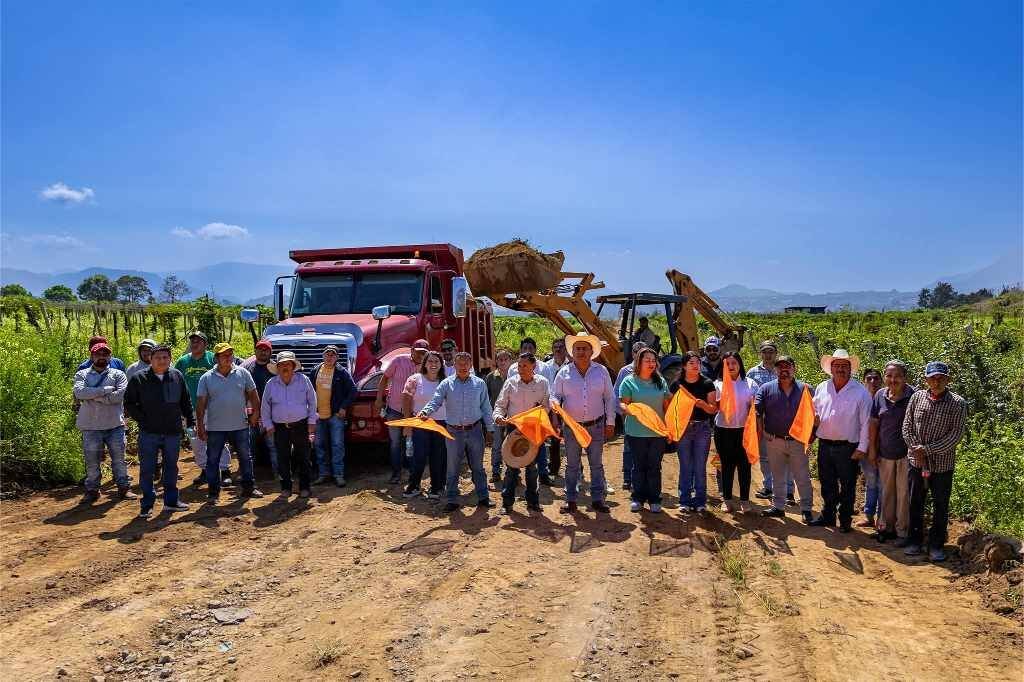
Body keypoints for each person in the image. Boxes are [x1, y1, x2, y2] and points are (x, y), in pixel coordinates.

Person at [901, 361, 967, 562]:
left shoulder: (958, 403)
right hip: (916, 462)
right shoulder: (917, 397)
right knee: (915, 502)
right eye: (933, 378)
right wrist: (916, 448)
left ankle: (936, 545)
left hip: (942, 464)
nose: (936, 381)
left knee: (940, 505)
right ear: (926, 379)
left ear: (948, 380)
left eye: (941, 378)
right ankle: (914, 541)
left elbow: (955, 435)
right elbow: (907, 426)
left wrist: (927, 449)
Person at [419, 352, 496, 512]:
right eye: (459, 364)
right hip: (453, 432)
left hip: (475, 430)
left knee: (478, 467)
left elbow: (486, 407)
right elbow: (436, 400)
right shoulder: (446, 384)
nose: (462, 367)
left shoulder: (479, 384)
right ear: (454, 365)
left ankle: (483, 497)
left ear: (470, 365)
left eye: (466, 364)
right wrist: (426, 412)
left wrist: (490, 429)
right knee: (452, 468)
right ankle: (452, 499)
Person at [124, 344, 193, 518]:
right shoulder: (139, 378)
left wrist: (190, 421)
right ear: (151, 359)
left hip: (172, 431)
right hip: (149, 432)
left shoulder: (177, 376)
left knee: (171, 467)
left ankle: (171, 501)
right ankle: (147, 504)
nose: (162, 361)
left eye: (165, 358)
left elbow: (185, 400)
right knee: (147, 469)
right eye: (157, 358)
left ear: (170, 359)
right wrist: (143, 419)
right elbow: (129, 403)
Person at [809, 349, 873, 533]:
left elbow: (866, 423)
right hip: (825, 445)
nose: (840, 369)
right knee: (827, 482)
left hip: (848, 447)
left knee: (847, 485)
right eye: (837, 365)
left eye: (845, 366)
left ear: (850, 369)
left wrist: (862, 448)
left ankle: (845, 519)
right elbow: (814, 411)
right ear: (831, 368)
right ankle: (828, 515)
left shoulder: (860, 392)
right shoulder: (822, 387)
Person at [551, 334, 616, 514]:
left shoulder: (601, 371)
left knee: (596, 464)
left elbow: (610, 398)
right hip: (572, 427)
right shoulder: (563, 373)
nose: (580, 351)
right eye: (577, 348)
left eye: (584, 348)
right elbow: (555, 395)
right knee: (572, 464)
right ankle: (570, 499)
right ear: (572, 352)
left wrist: (610, 422)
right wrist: (555, 405)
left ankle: (597, 499)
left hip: (596, 426)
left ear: (591, 351)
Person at [196, 343, 263, 502]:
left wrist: (256, 414)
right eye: (224, 355)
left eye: (230, 354)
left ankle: (249, 487)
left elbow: (253, 395)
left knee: (245, 457)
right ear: (216, 358)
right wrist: (200, 426)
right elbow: (200, 404)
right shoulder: (206, 378)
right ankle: (213, 493)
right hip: (215, 427)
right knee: (212, 460)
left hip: (240, 425)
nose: (228, 357)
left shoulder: (243, 373)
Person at [755, 356, 815, 523]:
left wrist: (810, 439)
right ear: (775, 370)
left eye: (787, 366)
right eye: (780, 367)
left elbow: (816, 415)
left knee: (802, 476)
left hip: (798, 441)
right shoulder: (766, 389)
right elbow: (757, 411)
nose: (784, 370)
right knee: (777, 476)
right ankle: (779, 507)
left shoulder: (806, 389)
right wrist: (763, 433)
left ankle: (806, 509)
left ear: (794, 368)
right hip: (775, 440)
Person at [73, 342, 134, 503]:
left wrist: (93, 396)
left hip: (115, 424)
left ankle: (124, 488)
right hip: (90, 426)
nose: (101, 356)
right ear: (91, 356)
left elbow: (120, 395)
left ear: (110, 356)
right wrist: (105, 391)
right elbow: (79, 393)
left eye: (105, 354)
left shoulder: (118, 374)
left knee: (119, 459)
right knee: (92, 460)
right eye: (98, 354)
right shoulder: (82, 374)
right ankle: (92, 490)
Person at [493, 352, 552, 514]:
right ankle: (507, 504)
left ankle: (533, 502)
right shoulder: (510, 383)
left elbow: (547, 406)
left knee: (532, 468)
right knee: (511, 467)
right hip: (514, 430)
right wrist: (498, 416)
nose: (520, 368)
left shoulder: (543, 383)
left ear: (534, 367)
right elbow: (500, 405)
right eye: (519, 365)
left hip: (533, 429)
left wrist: (540, 413)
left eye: (524, 365)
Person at [617, 347, 670, 513]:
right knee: (638, 466)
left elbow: (667, 405)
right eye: (647, 360)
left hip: (657, 432)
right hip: (636, 432)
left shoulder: (661, 382)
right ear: (639, 362)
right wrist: (627, 408)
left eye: (653, 360)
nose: (651, 363)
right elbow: (622, 403)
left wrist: (670, 427)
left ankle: (654, 499)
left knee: (654, 466)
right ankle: (638, 498)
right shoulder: (628, 381)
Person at [176, 331, 230, 487]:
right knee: (196, 440)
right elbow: (176, 382)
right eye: (192, 341)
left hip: (213, 407)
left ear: (205, 344)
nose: (194, 343)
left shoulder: (212, 359)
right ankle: (206, 470)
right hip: (191, 409)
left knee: (217, 438)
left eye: (198, 341)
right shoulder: (182, 362)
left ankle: (224, 470)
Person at [869, 360, 915, 544]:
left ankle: (902, 532)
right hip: (885, 453)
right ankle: (886, 528)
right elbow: (874, 423)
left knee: (903, 494)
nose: (893, 380)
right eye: (889, 375)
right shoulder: (880, 395)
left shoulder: (913, 396)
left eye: (897, 376)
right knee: (886, 492)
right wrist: (872, 449)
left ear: (905, 378)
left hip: (906, 454)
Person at [262, 351, 319, 498]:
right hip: (279, 427)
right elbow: (265, 406)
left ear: (293, 366)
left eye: (288, 364)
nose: (285, 367)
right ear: (277, 367)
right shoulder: (271, 384)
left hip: (301, 425)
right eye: (282, 365)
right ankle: (286, 487)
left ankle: (305, 487)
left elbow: (312, 401)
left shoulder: (303, 380)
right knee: (282, 458)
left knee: (304, 457)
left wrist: (312, 422)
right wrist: (268, 425)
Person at [375, 339, 430, 484]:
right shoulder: (398, 361)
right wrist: (379, 399)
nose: (420, 356)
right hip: (394, 408)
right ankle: (396, 473)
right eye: (418, 352)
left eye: (423, 353)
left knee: (413, 442)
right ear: (412, 351)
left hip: (415, 412)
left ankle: (413, 474)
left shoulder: (428, 367)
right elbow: (384, 378)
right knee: (395, 443)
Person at [747, 341, 794, 504]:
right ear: (760, 353)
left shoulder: (782, 371)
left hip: (782, 420)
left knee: (786, 455)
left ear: (776, 353)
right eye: (765, 351)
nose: (768, 355)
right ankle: (769, 486)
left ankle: (788, 491)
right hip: (761, 419)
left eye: (771, 351)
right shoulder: (752, 373)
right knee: (765, 455)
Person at [671, 351, 717, 513]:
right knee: (685, 466)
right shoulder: (677, 384)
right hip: (683, 429)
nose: (696, 365)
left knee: (699, 466)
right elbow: (671, 408)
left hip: (702, 429)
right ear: (684, 365)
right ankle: (684, 500)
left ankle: (700, 501)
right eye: (691, 362)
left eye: (697, 362)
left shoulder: (707, 383)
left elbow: (713, 409)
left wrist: (703, 405)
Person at [714, 352, 759, 513]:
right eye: (727, 363)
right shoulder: (717, 385)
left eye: (734, 363)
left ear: (740, 365)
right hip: (723, 431)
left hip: (744, 431)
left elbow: (756, 408)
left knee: (744, 466)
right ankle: (727, 499)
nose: (731, 366)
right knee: (726, 466)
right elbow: (713, 407)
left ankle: (745, 500)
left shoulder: (751, 384)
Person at [401, 351, 448, 499]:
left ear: (441, 365)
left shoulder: (446, 381)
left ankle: (437, 487)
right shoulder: (415, 379)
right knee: (419, 455)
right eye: (430, 361)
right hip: (420, 423)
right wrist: (407, 423)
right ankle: (414, 485)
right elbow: (406, 400)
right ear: (425, 364)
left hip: (441, 424)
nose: (433, 365)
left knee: (438, 456)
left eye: (437, 362)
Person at [307, 346, 355, 488]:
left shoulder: (342, 372)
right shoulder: (315, 371)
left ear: (336, 358)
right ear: (323, 356)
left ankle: (338, 475)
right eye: (327, 355)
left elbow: (353, 390)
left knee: (337, 445)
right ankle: (323, 474)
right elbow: (308, 391)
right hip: (317, 415)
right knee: (319, 445)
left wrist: (343, 407)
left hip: (335, 415)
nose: (329, 357)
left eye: (332, 355)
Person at [614, 341, 646, 491]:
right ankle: (627, 478)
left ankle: (642, 477)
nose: (639, 355)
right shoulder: (624, 372)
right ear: (632, 354)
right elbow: (617, 395)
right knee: (628, 446)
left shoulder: (652, 371)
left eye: (642, 352)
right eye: (636, 352)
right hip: (629, 416)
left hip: (646, 418)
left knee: (644, 447)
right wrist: (622, 414)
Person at [242, 340, 278, 470]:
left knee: (274, 446)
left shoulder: (276, 369)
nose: (263, 352)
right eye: (260, 349)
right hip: (252, 415)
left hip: (273, 415)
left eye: (266, 349)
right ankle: (248, 475)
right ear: (255, 351)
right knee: (248, 446)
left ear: (271, 351)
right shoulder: (246, 369)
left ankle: (279, 474)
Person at [539, 337, 569, 479]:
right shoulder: (546, 367)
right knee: (554, 439)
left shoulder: (572, 366)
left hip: (569, 408)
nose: (558, 349)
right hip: (552, 407)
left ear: (566, 349)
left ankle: (576, 469)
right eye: (555, 347)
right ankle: (554, 468)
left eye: (561, 347)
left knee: (571, 439)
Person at [858, 367, 883, 528]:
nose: (873, 381)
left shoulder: (885, 398)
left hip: (885, 449)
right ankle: (869, 516)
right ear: (863, 381)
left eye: (876, 378)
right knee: (871, 481)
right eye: (869, 379)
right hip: (865, 448)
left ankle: (882, 518)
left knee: (883, 484)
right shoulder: (860, 399)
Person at [485, 349, 514, 484]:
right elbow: (487, 397)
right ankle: (496, 471)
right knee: (496, 445)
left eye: (505, 359)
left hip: (512, 417)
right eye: (500, 359)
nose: (502, 362)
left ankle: (513, 472)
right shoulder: (491, 377)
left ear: (510, 361)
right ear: (496, 361)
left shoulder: (514, 377)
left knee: (511, 444)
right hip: (496, 416)